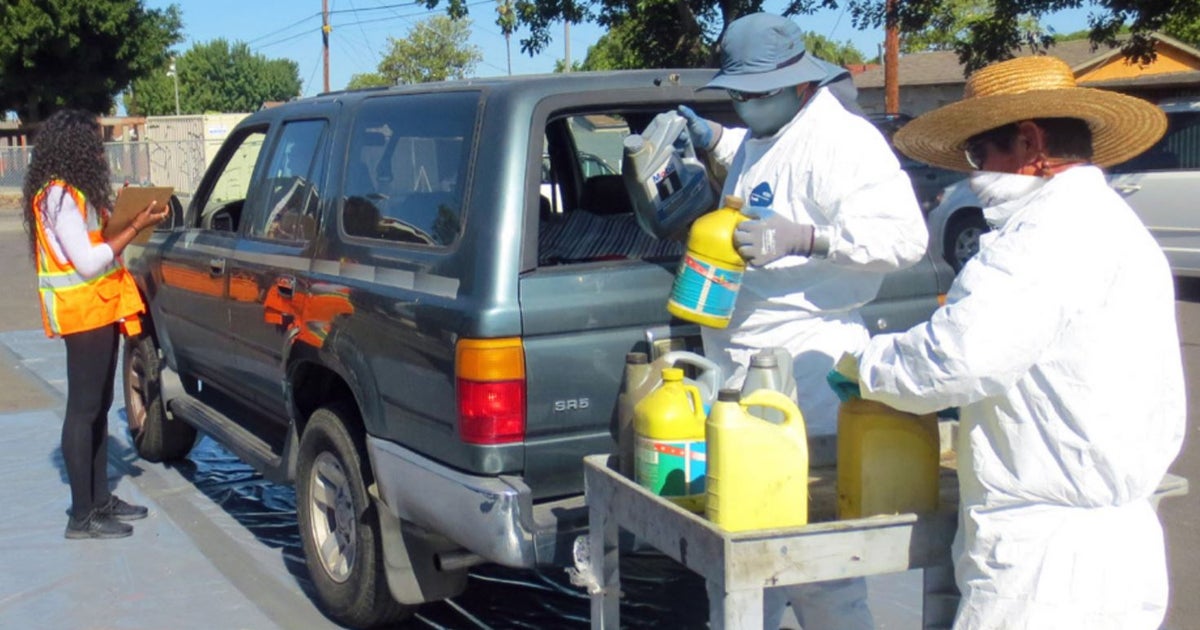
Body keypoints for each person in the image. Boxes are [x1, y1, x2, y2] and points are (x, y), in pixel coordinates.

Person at [832, 55, 1185, 628]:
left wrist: (865, 363)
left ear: (1028, 141)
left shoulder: (1040, 237)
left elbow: (956, 360)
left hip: (1046, 567)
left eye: (979, 154)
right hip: (1121, 547)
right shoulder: (1117, 225)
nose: (972, 173)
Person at [676, 12, 929, 629]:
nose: (743, 104)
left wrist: (809, 239)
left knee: (817, 564)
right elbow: (764, 163)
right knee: (739, 561)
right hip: (742, 362)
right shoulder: (768, 131)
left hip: (806, 369)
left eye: (751, 95)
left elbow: (905, 239)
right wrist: (714, 138)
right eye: (734, 95)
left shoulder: (845, 142)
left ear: (799, 86)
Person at [23, 109, 169, 539]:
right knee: (83, 411)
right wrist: (134, 227)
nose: (102, 154)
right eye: (95, 145)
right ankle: (81, 515)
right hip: (82, 315)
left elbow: (93, 244)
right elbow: (88, 262)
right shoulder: (58, 197)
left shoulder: (74, 196)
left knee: (99, 408)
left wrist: (124, 217)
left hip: (98, 310)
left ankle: (99, 498)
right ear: (76, 150)